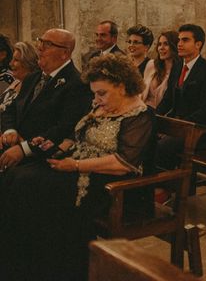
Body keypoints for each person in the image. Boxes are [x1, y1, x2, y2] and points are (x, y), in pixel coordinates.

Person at [0, 54, 155, 280]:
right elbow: (78, 136)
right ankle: (20, 264)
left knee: (31, 185)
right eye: (94, 93)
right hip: (77, 164)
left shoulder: (140, 116)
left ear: (122, 86)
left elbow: (123, 163)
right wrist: (55, 146)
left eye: (102, 93)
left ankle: (55, 270)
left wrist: (75, 165)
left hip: (112, 185)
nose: (97, 99)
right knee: (15, 176)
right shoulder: (103, 106)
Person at [0, 29, 93, 169]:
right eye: (41, 41)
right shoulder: (32, 78)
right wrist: (9, 131)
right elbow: (11, 108)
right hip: (13, 146)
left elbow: (64, 128)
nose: (40, 47)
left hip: (41, 156)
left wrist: (24, 148)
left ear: (65, 53)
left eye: (48, 44)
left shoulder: (77, 84)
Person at [156, 24, 206, 166]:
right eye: (179, 40)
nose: (179, 44)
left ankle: (167, 183)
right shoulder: (178, 67)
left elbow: (205, 111)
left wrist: (177, 127)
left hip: (197, 131)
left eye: (185, 40)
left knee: (160, 146)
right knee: (143, 137)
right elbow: (167, 99)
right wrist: (155, 117)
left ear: (198, 44)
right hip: (177, 127)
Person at [141, 30, 180, 108]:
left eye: (166, 44)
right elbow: (141, 92)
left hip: (161, 115)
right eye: (159, 44)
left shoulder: (179, 70)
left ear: (174, 46)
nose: (161, 48)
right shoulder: (151, 64)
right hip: (143, 109)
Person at [0, 42, 38, 116]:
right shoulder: (16, 82)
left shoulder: (35, 87)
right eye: (12, 59)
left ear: (28, 62)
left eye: (16, 60)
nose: (10, 64)